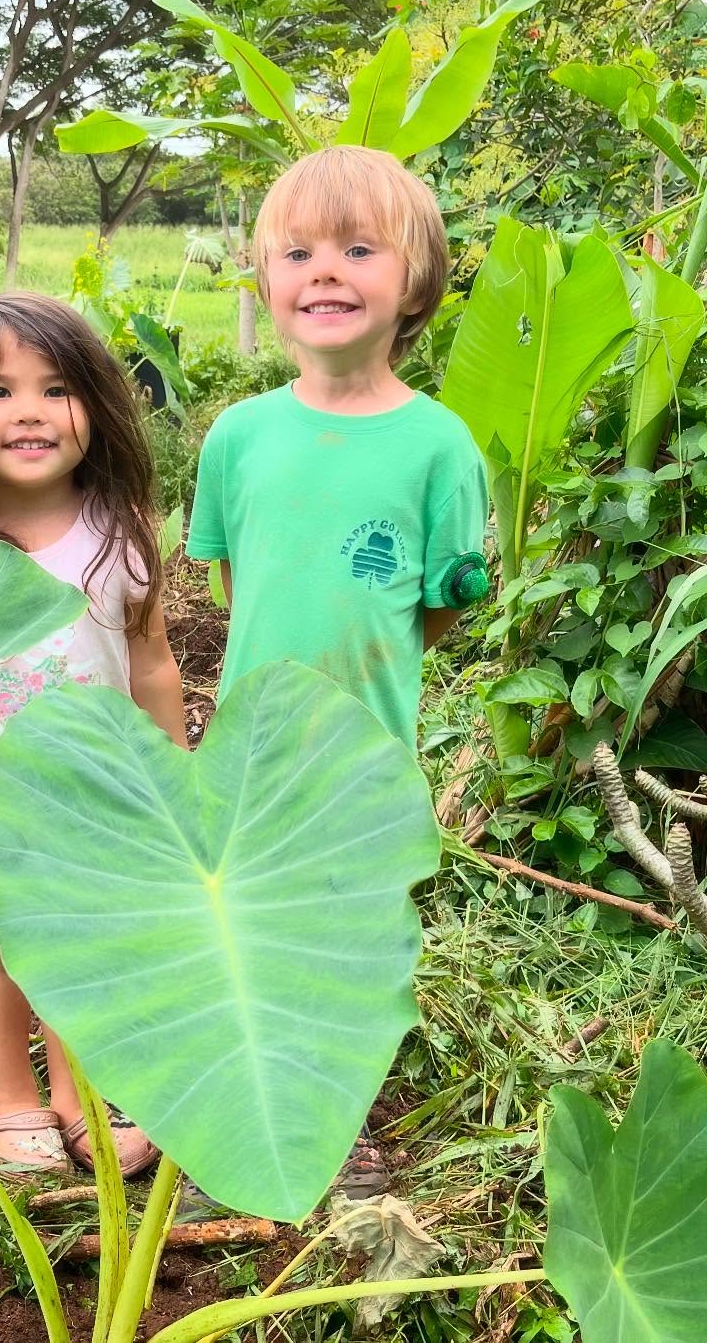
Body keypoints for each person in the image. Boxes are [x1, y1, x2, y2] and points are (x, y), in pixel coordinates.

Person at [185, 145, 489, 1196]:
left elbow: (442, 606)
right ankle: (236, 1095)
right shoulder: (236, 437)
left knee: (350, 940)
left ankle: (337, 1117)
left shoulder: (440, 447)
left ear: (414, 283)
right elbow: (233, 583)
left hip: (366, 755)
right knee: (245, 925)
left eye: (360, 249)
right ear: (266, 280)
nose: (325, 272)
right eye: (298, 252)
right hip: (249, 747)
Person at [0, 291, 187, 1176]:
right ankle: (15, 1097)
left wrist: (177, 774)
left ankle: (79, 1093)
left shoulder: (117, 533)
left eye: (56, 389)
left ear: (96, 405)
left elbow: (152, 660)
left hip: (98, 796)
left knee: (86, 949)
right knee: (6, 944)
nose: (31, 412)